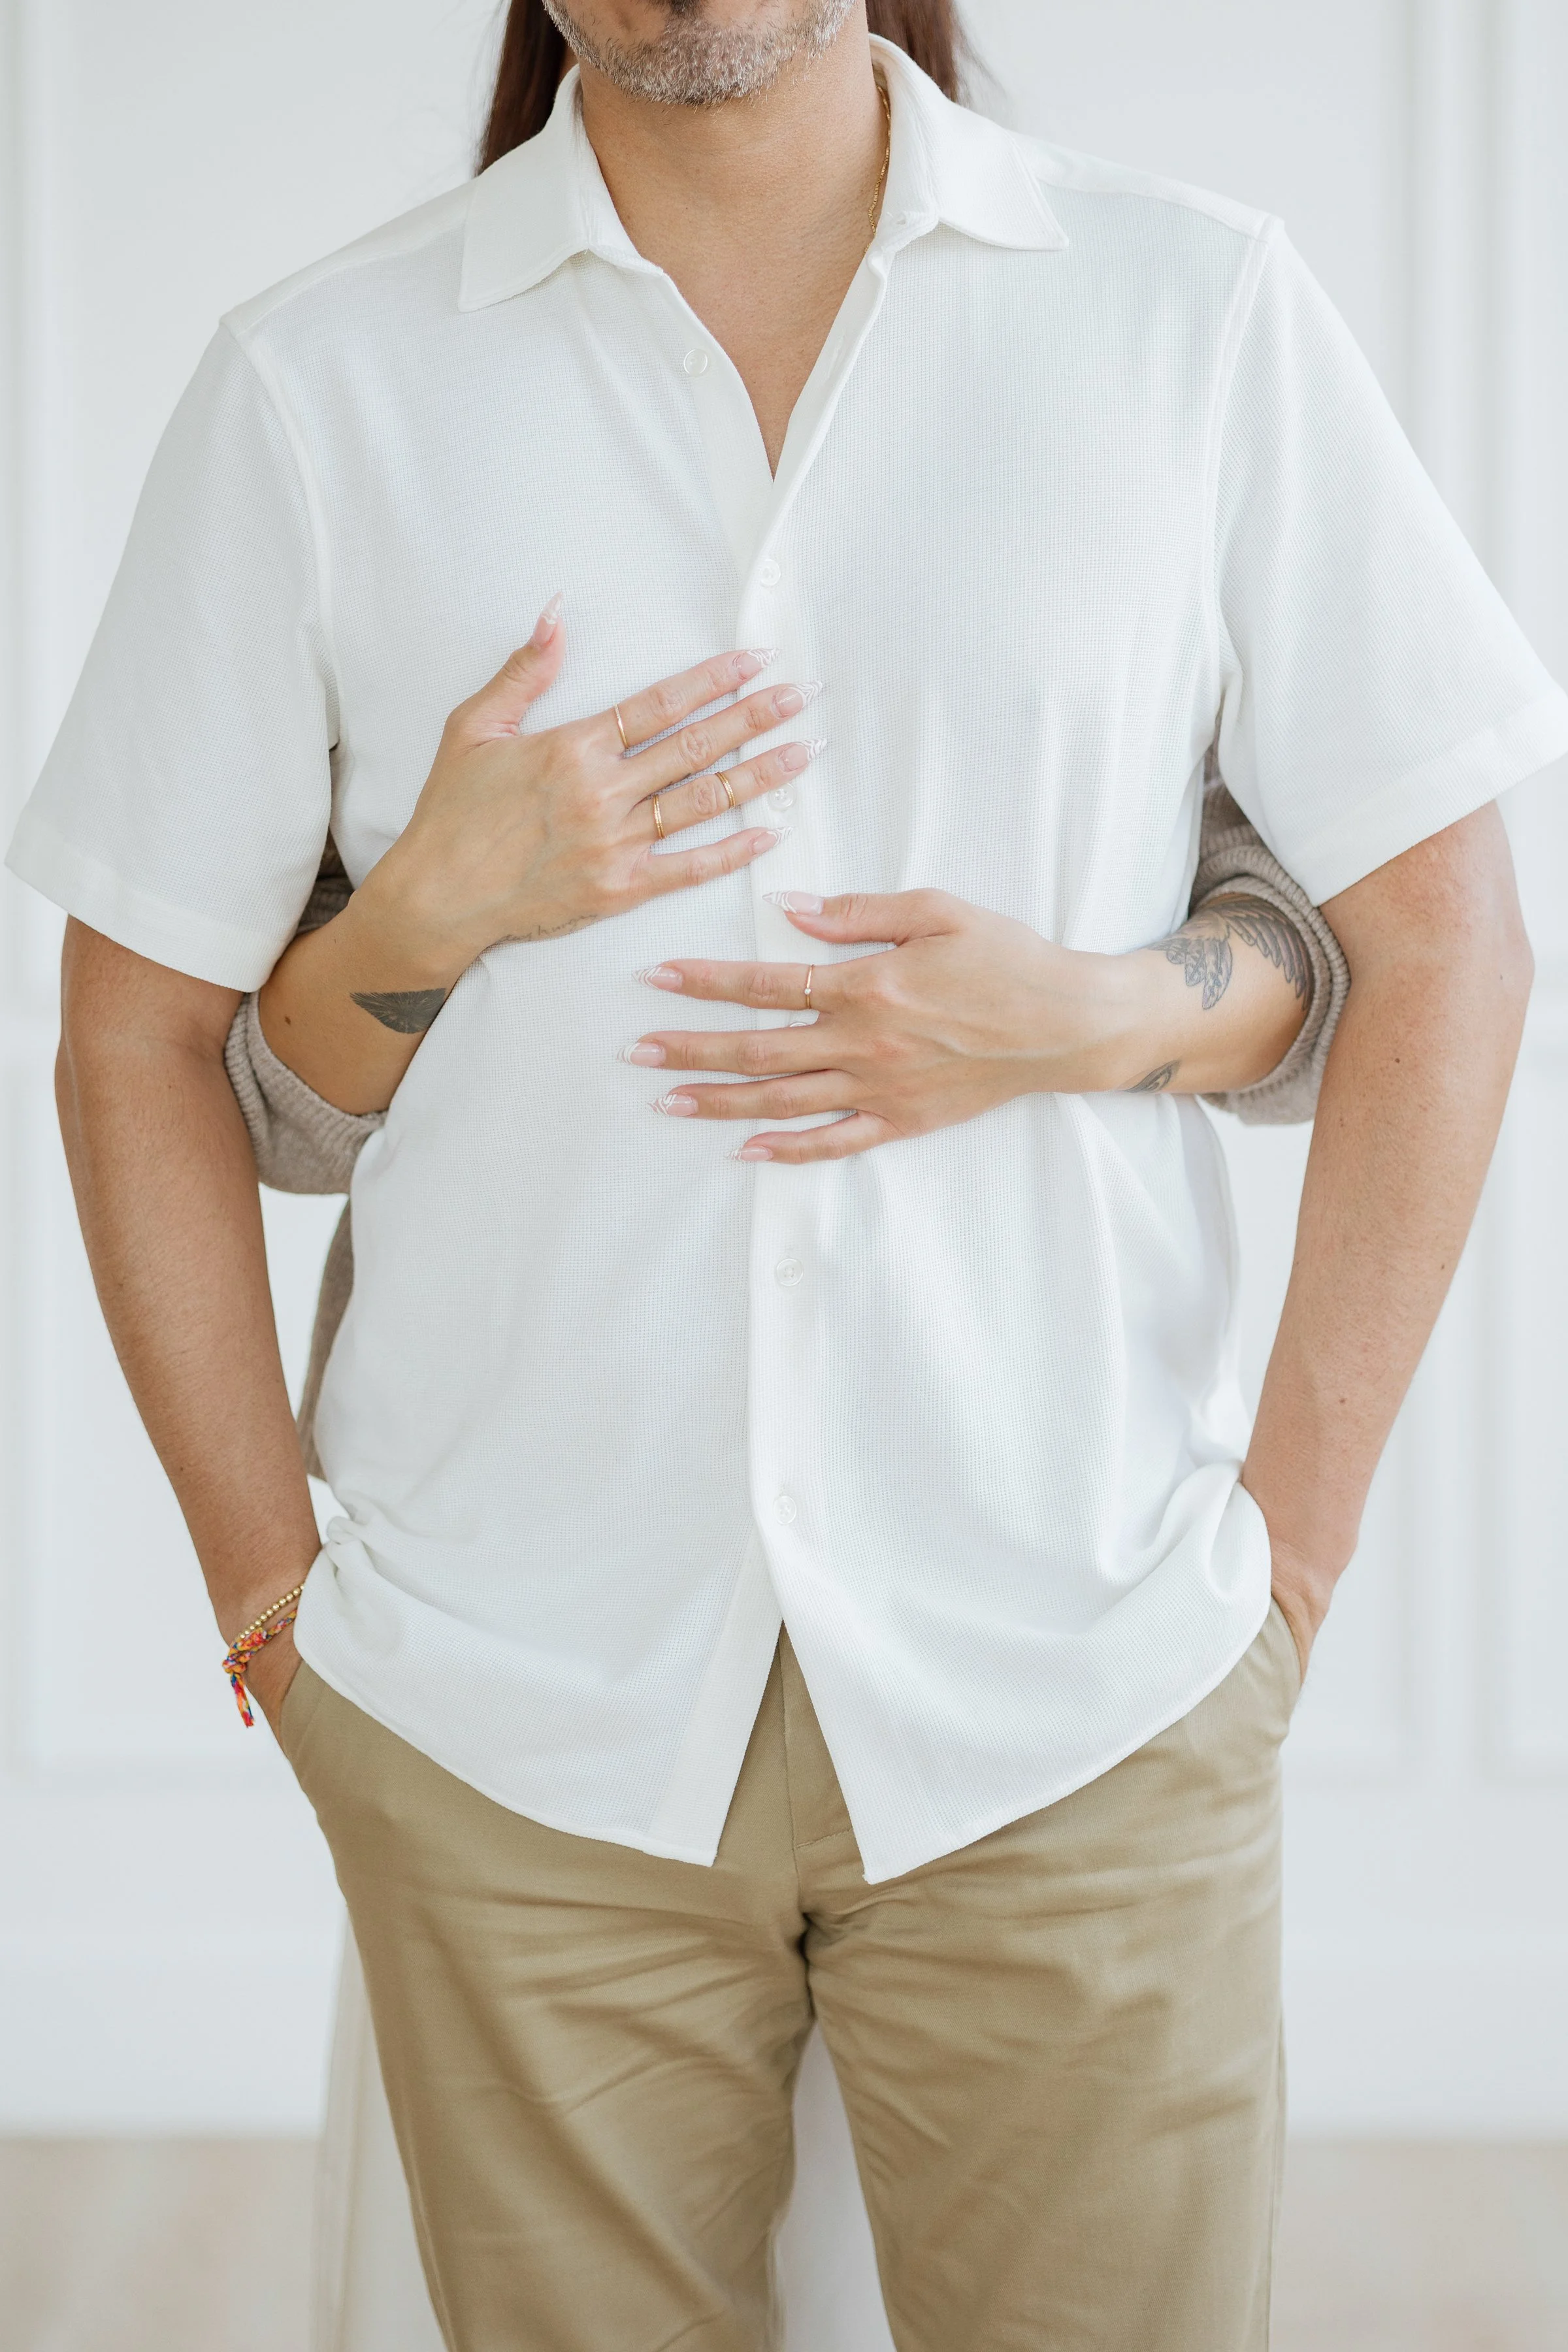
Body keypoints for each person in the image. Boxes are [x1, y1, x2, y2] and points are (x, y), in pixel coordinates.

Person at [11, 0, 1565, 2344]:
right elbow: (135, 1030)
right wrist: (270, 1606)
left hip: (1081, 1677)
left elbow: (1442, 940)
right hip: (505, 1710)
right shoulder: (317, 387)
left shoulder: (1189, 309)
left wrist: (1287, 1579)